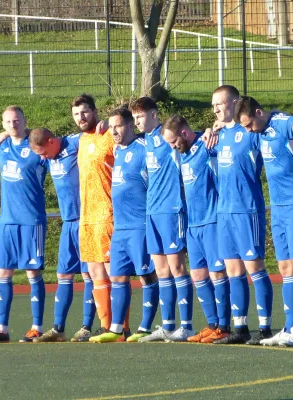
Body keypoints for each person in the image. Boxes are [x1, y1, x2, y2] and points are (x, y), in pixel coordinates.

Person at [234, 96, 293, 346]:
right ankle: (288, 327)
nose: (248, 130)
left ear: (259, 113)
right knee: (285, 269)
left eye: (249, 124)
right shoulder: (259, 132)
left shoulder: (284, 124)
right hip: (278, 207)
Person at [0, 105, 48, 343]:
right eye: (8, 122)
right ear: (3, 124)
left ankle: (36, 326)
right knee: (3, 273)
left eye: (16, 120)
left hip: (31, 220)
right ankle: (2, 328)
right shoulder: (3, 147)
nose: (13, 125)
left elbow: (56, 149)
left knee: (31, 271)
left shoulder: (37, 145)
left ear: (25, 121)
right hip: (8, 222)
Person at [207, 85, 271, 345]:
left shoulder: (252, 131)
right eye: (213, 106)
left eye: (220, 104)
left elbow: (274, 122)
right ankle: (240, 328)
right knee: (233, 271)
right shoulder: (217, 135)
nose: (216, 110)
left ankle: (265, 328)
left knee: (254, 268)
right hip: (224, 213)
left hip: (247, 210)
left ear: (234, 103)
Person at [89, 107, 159, 343]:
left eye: (118, 125)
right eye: (112, 126)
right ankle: (117, 328)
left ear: (130, 125)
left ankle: (146, 327)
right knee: (117, 277)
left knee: (146, 276)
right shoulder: (118, 151)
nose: (114, 130)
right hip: (120, 229)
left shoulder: (144, 149)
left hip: (140, 225)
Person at [161, 115, 231, 344]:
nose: (172, 146)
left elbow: (226, 138)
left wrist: (214, 129)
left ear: (184, 133)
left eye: (173, 141)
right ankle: (212, 325)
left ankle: (225, 325)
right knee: (198, 275)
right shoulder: (182, 154)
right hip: (193, 224)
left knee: (218, 273)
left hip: (212, 221)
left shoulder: (206, 145)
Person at [131, 97, 194, 343]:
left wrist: (210, 130)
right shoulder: (144, 140)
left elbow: (190, 136)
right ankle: (168, 325)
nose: (137, 121)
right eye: (134, 117)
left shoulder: (166, 136)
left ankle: (186, 325)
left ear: (155, 115)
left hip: (171, 210)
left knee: (177, 267)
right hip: (152, 212)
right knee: (161, 270)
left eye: (140, 116)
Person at [27, 128, 97, 343]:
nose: (41, 158)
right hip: (68, 223)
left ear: (51, 141)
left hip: (87, 220)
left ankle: (86, 327)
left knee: (89, 275)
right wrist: (5, 133)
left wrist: (103, 124)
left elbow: (94, 134)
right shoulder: (49, 155)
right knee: (64, 275)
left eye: (42, 152)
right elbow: (26, 136)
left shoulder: (74, 143)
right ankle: (58, 329)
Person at [73, 94, 130, 337]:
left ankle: (121, 327)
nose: (81, 117)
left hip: (107, 214)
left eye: (85, 112)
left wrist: (110, 122)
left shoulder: (108, 135)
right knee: (95, 273)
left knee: (113, 272)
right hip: (86, 217)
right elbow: (45, 140)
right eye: (76, 114)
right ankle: (106, 326)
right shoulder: (80, 140)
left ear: (95, 112)